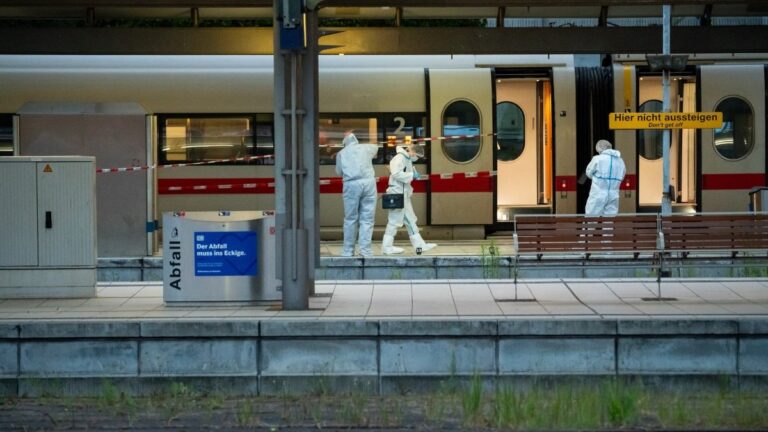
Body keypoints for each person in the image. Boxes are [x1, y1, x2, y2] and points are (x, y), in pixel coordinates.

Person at [381, 144, 437, 255]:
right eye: (417, 156)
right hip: (397, 194)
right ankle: (387, 247)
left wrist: (412, 176)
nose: (416, 158)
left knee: (410, 220)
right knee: (393, 221)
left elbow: (403, 175)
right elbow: (396, 174)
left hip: (403, 194)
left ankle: (420, 246)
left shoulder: (406, 159)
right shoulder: (399, 158)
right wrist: (412, 175)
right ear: (412, 152)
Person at [335, 131, 379, 257]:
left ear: (344, 141)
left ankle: (348, 251)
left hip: (351, 184)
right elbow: (376, 147)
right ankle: (365, 250)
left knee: (351, 218)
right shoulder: (366, 148)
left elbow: (339, 172)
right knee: (367, 219)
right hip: (369, 183)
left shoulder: (341, 153)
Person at [585, 139, 626, 216]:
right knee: (609, 218)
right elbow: (622, 176)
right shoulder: (620, 161)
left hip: (598, 193)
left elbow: (588, 173)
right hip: (614, 194)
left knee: (591, 217)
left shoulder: (597, 159)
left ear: (599, 148)